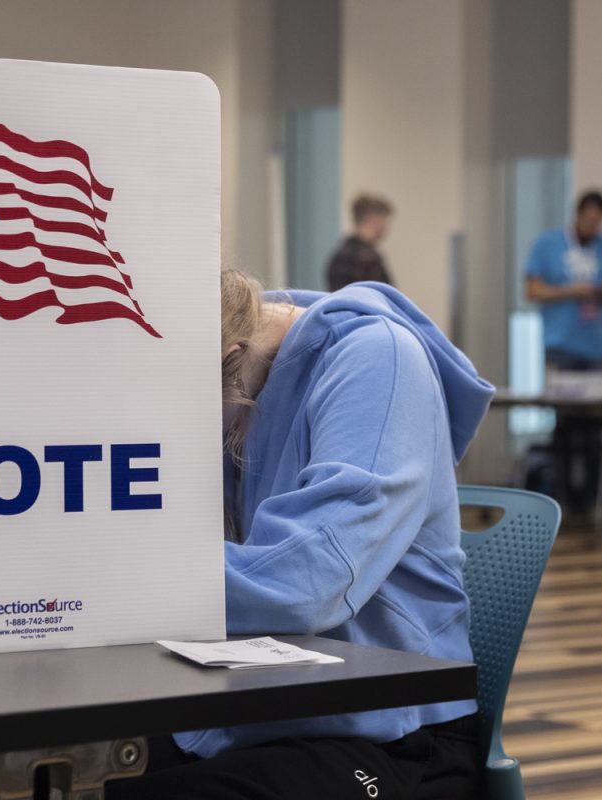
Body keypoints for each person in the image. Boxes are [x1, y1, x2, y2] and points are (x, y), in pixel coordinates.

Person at [109, 272, 494, 800]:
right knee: (47, 767)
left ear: (230, 357)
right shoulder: (247, 382)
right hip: (251, 710)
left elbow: (308, 584)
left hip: (391, 735)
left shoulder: (379, 360)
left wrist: (109, 581)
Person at [525, 190, 602, 516]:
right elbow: (532, 289)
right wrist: (573, 289)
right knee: (564, 426)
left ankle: (591, 503)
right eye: (588, 219)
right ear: (578, 214)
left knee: (594, 430)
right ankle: (562, 502)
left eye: (599, 222)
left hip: (594, 349)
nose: (593, 226)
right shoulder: (549, 244)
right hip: (560, 348)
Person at [326, 193, 395, 292]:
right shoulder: (369, 258)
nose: (386, 227)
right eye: (384, 221)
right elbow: (386, 297)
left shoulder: (338, 256)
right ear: (373, 219)